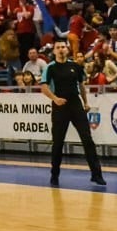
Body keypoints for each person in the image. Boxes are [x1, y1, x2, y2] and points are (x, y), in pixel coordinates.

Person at [40, 40, 105, 187]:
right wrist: (55, 99)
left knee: (87, 139)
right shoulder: (50, 68)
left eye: (63, 47)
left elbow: (81, 85)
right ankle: (54, 174)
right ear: (54, 51)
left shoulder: (75, 66)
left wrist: (86, 102)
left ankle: (96, 174)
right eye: (58, 47)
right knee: (58, 142)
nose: (61, 49)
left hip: (75, 104)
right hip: (60, 106)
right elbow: (44, 87)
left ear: (67, 50)